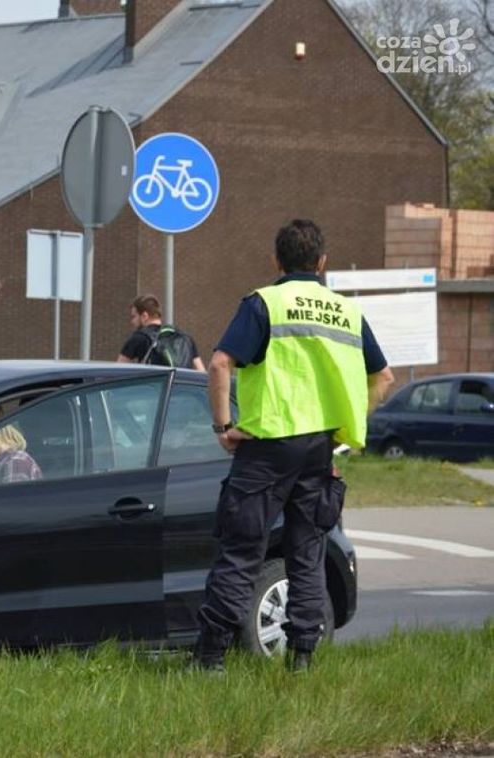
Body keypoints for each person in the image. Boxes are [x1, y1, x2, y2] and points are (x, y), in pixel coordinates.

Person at [191, 219, 394, 674]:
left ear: (275, 261)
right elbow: (384, 377)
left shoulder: (265, 303)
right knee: (307, 553)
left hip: (266, 447)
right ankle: (302, 657)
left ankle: (210, 658)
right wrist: (347, 425)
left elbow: (221, 365)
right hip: (319, 449)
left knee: (242, 550)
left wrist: (224, 426)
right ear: (322, 263)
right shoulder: (347, 313)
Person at [117, 295, 206, 371]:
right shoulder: (186, 338)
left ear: (144, 316)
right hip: (182, 390)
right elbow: (201, 372)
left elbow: (118, 369)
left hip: (153, 389)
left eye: (133, 317)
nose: (131, 322)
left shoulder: (139, 337)